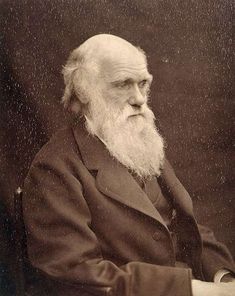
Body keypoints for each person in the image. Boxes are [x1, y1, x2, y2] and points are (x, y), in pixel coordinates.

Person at [23, 34, 235, 296]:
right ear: (84, 91)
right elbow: (75, 271)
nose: (139, 99)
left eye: (143, 84)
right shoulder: (54, 168)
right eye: (123, 84)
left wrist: (223, 277)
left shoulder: (136, 142)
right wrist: (194, 290)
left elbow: (185, 224)